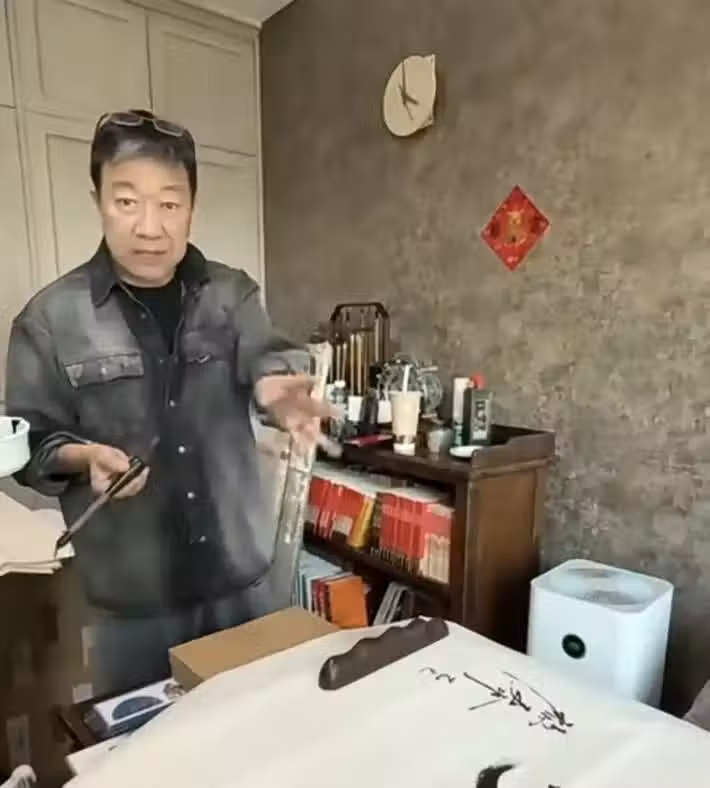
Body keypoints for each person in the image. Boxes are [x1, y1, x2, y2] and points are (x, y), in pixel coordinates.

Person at [5, 109, 329, 694]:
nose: (150, 227)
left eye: (170, 203)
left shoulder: (232, 294)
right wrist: (83, 457)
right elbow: (27, 442)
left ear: (192, 207)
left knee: (260, 731)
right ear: (99, 200)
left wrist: (278, 387)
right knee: (147, 743)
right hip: (131, 609)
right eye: (127, 201)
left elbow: (268, 354)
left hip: (243, 586)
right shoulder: (49, 319)